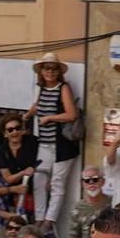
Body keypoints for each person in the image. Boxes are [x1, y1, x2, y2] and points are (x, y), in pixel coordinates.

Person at [29, 55, 81, 227]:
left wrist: (50, 117)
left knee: (58, 184)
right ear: (41, 72)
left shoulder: (63, 88)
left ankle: (48, 221)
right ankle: (39, 218)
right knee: (38, 180)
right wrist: (27, 116)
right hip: (44, 143)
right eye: (46, 68)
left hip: (62, 145)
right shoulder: (41, 88)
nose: (50, 72)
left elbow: (71, 114)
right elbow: (37, 106)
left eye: (53, 68)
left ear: (59, 72)